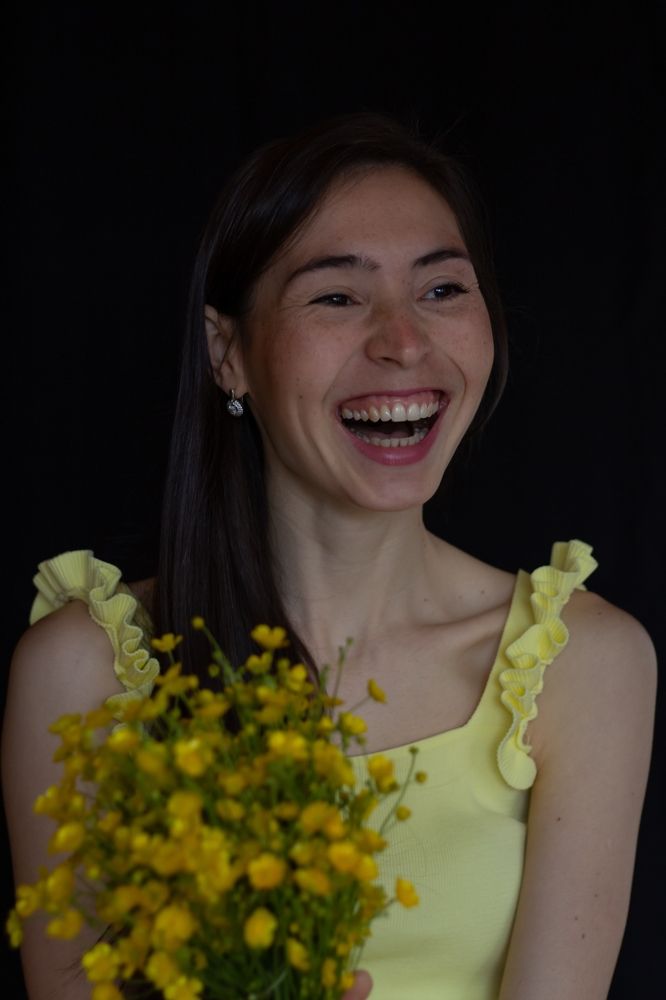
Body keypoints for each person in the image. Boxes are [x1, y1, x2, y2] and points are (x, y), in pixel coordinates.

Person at [2, 113, 657, 1000]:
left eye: (442, 289)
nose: (403, 342)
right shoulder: (84, 673)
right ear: (228, 353)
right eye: (337, 298)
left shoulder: (583, 664)